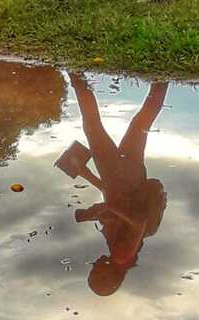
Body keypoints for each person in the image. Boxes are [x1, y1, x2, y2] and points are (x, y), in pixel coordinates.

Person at [55, 74, 169, 296]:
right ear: (107, 276)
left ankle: (162, 79)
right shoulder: (121, 256)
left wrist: (87, 176)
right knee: (92, 125)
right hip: (121, 177)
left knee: (140, 125)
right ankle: (77, 74)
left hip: (127, 178)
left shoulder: (121, 255)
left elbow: (117, 203)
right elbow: (137, 221)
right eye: (95, 274)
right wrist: (98, 211)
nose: (94, 267)